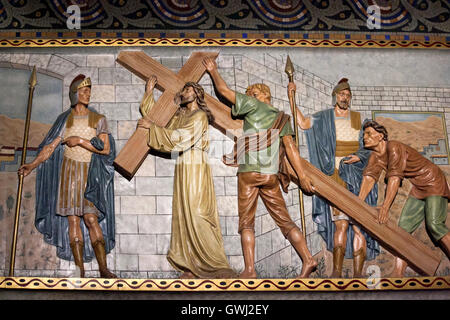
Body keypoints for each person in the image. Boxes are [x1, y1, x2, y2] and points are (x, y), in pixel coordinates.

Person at [203, 57, 317, 279]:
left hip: (249, 172)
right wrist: (301, 176)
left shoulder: (253, 105)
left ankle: (250, 270)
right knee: (285, 221)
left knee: (246, 222)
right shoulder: (281, 118)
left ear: (264, 96)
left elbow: (224, 91)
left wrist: (213, 71)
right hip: (270, 174)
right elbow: (291, 148)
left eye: (254, 93)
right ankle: (308, 259)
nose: (250, 96)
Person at [137, 76, 236, 279]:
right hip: (183, 166)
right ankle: (190, 267)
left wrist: (151, 129)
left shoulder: (199, 116)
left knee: (198, 212)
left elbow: (180, 138)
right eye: (184, 90)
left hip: (196, 166)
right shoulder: (180, 117)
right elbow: (157, 120)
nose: (185, 92)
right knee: (184, 213)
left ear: (197, 94)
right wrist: (149, 92)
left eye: (189, 89)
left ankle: (214, 264)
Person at [18, 74, 116, 278]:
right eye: (84, 90)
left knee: (90, 218)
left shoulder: (98, 119)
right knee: (73, 221)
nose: (88, 94)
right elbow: (50, 147)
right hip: (70, 173)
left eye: (89, 90)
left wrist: (80, 140)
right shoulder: (65, 120)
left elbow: (105, 149)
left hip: (89, 174)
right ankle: (80, 271)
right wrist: (32, 165)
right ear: (74, 94)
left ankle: (103, 269)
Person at [290, 78, 379, 278]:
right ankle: (337, 273)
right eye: (341, 94)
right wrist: (292, 97)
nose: (344, 98)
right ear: (335, 96)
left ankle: (358, 274)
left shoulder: (358, 119)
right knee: (341, 223)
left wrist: (360, 155)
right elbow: (303, 123)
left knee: (359, 227)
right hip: (336, 176)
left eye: (347, 95)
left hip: (356, 176)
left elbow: (373, 146)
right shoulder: (324, 117)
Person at [358, 120, 450, 277]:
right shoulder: (375, 156)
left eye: (368, 134)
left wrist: (385, 207)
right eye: (364, 134)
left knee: (434, 225)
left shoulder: (393, 147)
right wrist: (358, 202)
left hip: (433, 181)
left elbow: (394, 179)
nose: (364, 137)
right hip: (418, 187)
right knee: (403, 230)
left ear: (380, 136)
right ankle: (399, 271)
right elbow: (369, 179)